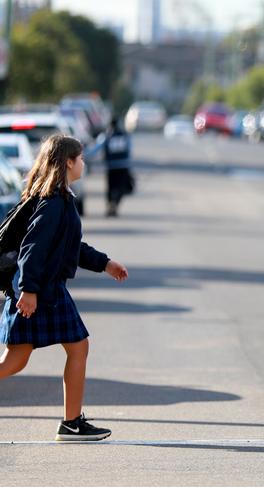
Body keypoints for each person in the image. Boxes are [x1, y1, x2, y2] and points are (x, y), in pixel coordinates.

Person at [0, 134, 129, 441]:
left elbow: (70, 247)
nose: (83, 163)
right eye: (80, 158)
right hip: (41, 291)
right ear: (68, 162)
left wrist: (105, 263)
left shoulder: (60, 198)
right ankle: (71, 423)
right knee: (25, 358)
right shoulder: (54, 203)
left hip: (44, 289)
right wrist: (29, 290)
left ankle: (72, 421)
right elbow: (33, 247)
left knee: (20, 359)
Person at [87, 118, 134, 217]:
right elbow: (129, 150)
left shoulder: (106, 136)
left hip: (111, 166)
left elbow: (96, 149)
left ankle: (110, 205)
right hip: (123, 166)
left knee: (110, 187)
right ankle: (115, 205)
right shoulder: (125, 135)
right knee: (121, 188)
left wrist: (84, 155)